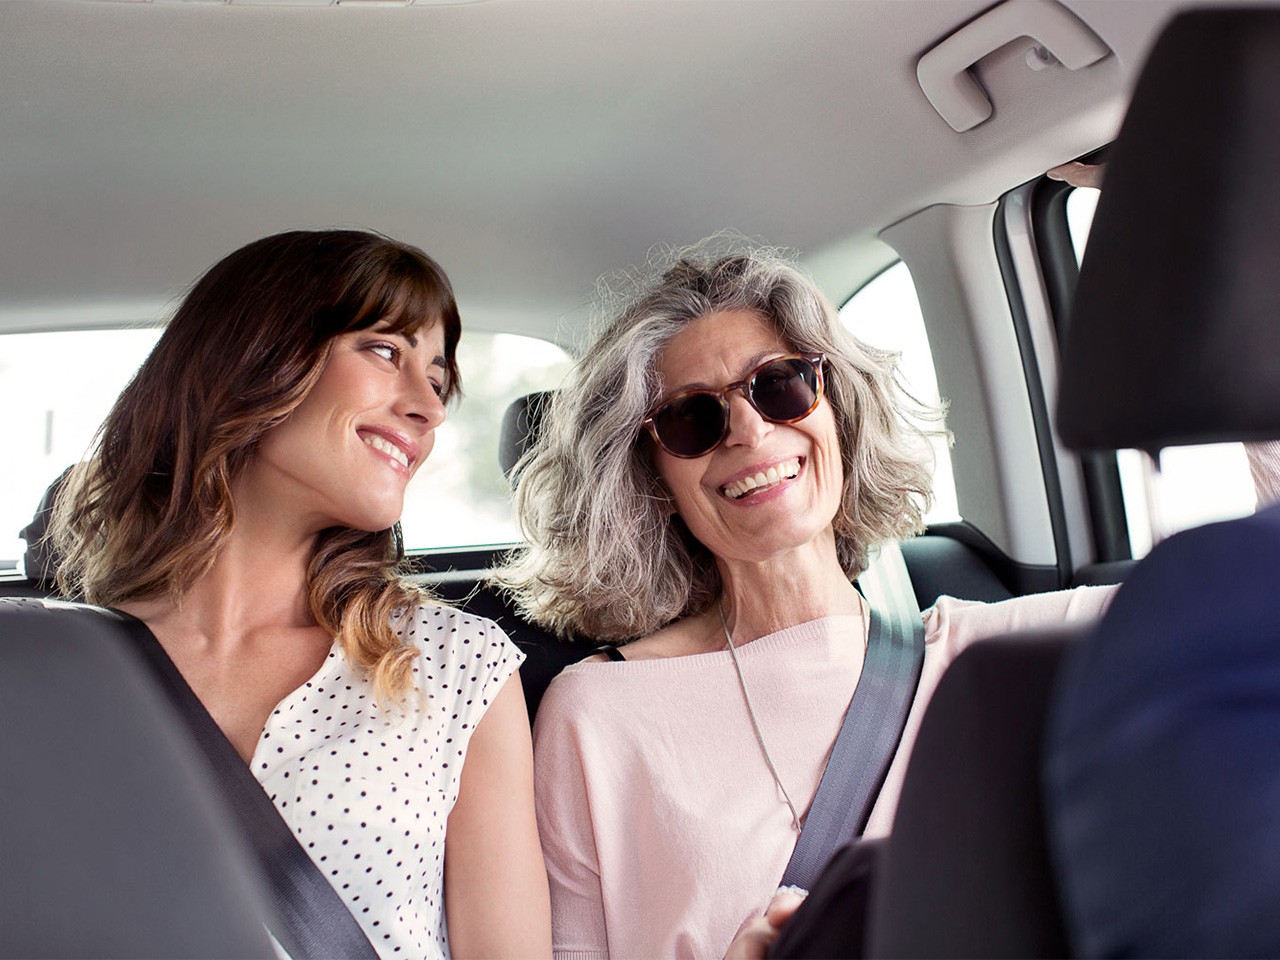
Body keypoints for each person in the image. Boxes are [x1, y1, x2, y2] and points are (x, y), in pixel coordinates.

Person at [496, 246, 1113, 959]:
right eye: (693, 418)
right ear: (652, 480)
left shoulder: (1010, 653)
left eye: (779, 385)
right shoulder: (594, 714)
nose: (750, 431)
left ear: (838, 411)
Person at [50, 229, 551, 959]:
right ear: (255, 356)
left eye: (438, 380)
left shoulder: (455, 667)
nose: (430, 408)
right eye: (386, 351)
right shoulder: (50, 675)